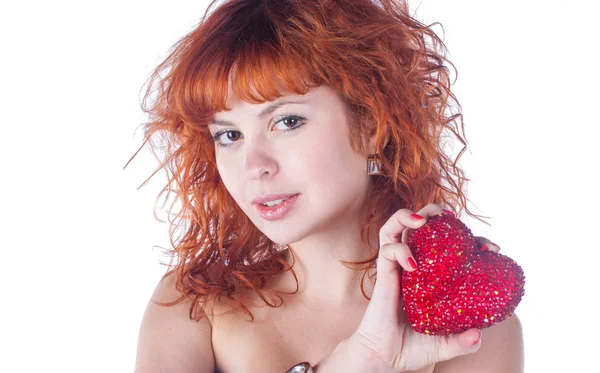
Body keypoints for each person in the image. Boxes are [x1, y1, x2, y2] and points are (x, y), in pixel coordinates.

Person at [128, 0, 524, 372]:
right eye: (228, 135)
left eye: (286, 122)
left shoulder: (466, 327)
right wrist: (357, 361)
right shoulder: (194, 305)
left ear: (371, 125)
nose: (253, 166)